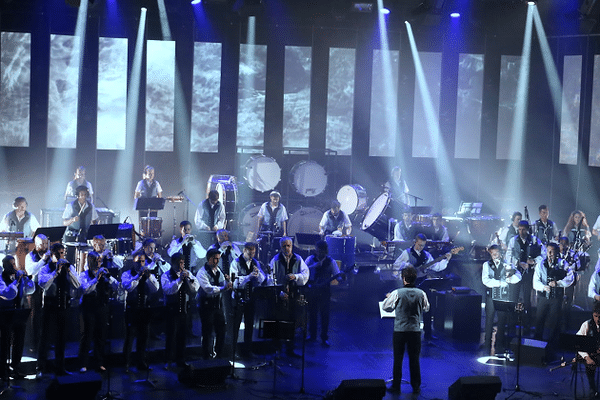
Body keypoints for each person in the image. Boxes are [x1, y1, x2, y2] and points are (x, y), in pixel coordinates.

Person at [393, 233, 451, 340]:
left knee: (427, 307)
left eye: (423, 245)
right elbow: (396, 265)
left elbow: (436, 267)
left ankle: (428, 333)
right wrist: (406, 266)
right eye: (419, 245)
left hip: (423, 282)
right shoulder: (406, 253)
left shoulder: (427, 255)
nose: (420, 247)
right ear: (415, 242)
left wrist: (446, 259)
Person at [382, 266, 428, 395]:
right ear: (415, 278)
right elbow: (426, 308)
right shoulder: (421, 293)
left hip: (400, 330)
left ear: (403, 279)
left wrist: (388, 297)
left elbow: (386, 307)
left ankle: (396, 386)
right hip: (415, 330)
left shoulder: (397, 293)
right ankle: (416, 386)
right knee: (414, 359)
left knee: (398, 359)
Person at [37, 243, 81, 377]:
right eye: (58, 254)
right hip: (50, 307)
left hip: (64, 306)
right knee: (45, 338)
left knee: (61, 339)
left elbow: (77, 284)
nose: (61, 256)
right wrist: (55, 272)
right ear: (52, 255)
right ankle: (41, 368)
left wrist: (67, 271)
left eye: (63, 253)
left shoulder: (70, 268)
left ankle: (60, 368)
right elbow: (43, 284)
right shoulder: (45, 269)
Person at [267, 237, 309, 357]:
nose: (287, 248)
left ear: (292, 246)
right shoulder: (275, 260)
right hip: (279, 295)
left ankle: (290, 349)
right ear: (281, 247)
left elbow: (305, 274)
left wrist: (295, 276)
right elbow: (270, 279)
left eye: (289, 246)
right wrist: (279, 292)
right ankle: (277, 349)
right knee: (278, 322)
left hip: (293, 295)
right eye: (284, 246)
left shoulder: (298, 259)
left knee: (292, 322)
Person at [78, 251, 119, 373]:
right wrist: (96, 278)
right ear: (89, 262)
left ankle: (99, 362)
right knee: (87, 335)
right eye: (95, 260)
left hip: (102, 306)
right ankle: (83, 363)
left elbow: (117, 287)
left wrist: (109, 277)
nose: (98, 263)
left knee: (101, 336)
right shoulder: (84, 275)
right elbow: (85, 290)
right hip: (88, 307)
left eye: (99, 261)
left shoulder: (105, 274)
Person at [505, 220, 546, 333]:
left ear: (527, 229)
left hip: (528, 274)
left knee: (527, 300)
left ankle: (527, 324)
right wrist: (518, 263)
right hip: (516, 273)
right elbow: (508, 255)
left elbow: (544, 254)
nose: (521, 231)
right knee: (513, 297)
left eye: (523, 229)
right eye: (519, 229)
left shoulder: (534, 240)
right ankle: (512, 323)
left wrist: (533, 261)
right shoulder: (513, 240)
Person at [121, 252, 160, 371]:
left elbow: (155, 288)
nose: (141, 264)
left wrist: (148, 277)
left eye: (143, 261)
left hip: (144, 309)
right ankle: (126, 364)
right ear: (133, 261)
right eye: (138, 261)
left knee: (143, 337)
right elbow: (128, 287)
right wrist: (138, 276)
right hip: (132, 309)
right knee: (130, 337)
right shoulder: (126, 274)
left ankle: (141, 362)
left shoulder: (148, 274)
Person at [162, 252, 199, 369]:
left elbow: (195, 288)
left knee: (182, 336)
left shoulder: (188, 274)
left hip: (184, 308)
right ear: (173, 263)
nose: (181, 265)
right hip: (171, 309)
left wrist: (187, 279)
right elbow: (169, 290)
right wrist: (179, 280)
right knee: (171, 336)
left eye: (182, 263)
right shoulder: (166, 275)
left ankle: (181, 359)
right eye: (179, 263)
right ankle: (168, 360)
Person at [482, 245, 522, 354]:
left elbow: (518, 277)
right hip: (491, 296)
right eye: (492, 254)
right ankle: (487, 344)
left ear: (500, 253)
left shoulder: (507, 264)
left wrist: (510, 279)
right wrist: (500, 283)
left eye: (497, 253)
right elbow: (485, 280)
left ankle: (499, 344)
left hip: (503, 297)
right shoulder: (487, 265)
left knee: (501, 320)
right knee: (489, 320)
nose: (495, 256)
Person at [0, 255, 35, 380]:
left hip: (18, 312)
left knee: (19, 341)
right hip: (5, 313)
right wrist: (16, 281)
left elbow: (30, 290)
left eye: (14, 264)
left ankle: (16, 367)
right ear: (5, 266)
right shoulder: (1, 278)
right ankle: (3, 370)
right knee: (5, 342)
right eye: (11, 265)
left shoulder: (18, 277)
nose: (14, 267)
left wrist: (26, 280)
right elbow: (7, 294)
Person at [532, 242, 573, 344]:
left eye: (552, 251)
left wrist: (558, 283)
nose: (550, 253)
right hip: (543, 297)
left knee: (554, 322)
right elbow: (535, 281)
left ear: (557, 252)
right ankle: (537, 345)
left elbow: (570, 278)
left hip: (556, 298)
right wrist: (543, 287)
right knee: (539, 320)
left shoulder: (562, 263)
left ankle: (552, 345)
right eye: (548, 251)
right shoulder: (541, 264)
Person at [230, 242, 265, 357]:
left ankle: (248, 350)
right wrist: (248, 277)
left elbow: (262, 280)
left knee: (249, 325)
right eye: (250, 252)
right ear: (244, 250)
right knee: (235, 326)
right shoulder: (235, 263)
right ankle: (233, 351)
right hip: (239, 298)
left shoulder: (255, 263)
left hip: (251, 298)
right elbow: (235, 283)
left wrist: (258, 274)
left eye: (254, 252)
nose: (252, 254)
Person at [197, 248, 232, 359]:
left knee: (221, 331)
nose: (217, 261)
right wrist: (223, 287)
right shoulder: (202, 272)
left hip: (218, 305)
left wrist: (228, 282)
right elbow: (208, 289)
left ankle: (218, 355)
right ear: (209, 258)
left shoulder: (218, 270)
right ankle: (206, 357)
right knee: (207, 333)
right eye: (215, 259)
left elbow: (223, 284)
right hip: (206, 306)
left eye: (218, 259)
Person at [305, 240, 341, 347]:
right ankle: (312, 335)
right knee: (312, 314)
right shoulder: (310, 259)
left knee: (325, 315)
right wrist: (313, 266)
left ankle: (324, 338)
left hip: (324, 291)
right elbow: (302, 270)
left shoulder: (331, 261)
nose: (319, 253)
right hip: (312, 290)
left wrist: (341, 277)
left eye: (322, 251)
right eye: (318, 251)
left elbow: (337, 275)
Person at [25, 234, 50, 355]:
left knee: (47, 318)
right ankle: (33, 344)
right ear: (36, 244)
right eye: (42, 244)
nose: (44, 246)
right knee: (35, 318)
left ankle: (46, 342)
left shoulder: (49, 255)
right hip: (35, 291)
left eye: (46, 243)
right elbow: (31, 270)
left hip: (49, 290)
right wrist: (43, 260)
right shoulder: (30, 256)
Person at [576, 303, 600, 397]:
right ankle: (592, 389)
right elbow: (579, 344)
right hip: (589, 355)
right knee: (590, 365)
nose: (598, 319)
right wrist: (587, 357)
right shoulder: (587, 324)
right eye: (596, 316)